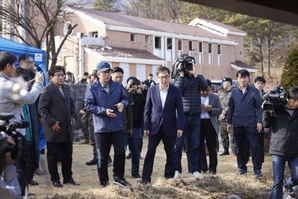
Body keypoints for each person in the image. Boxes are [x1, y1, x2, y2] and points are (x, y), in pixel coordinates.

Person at [0, 52, 44, 196]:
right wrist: (38, 82)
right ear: (8, 66)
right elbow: (30, 98)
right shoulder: (6, 85)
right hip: (12, 132)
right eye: (14, 65)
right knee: (22, 166)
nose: (15, 68)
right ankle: (17, 195)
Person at [85, 62, 131, 188]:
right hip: (101, 128)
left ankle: (118, 177)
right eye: (104, 72)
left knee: (120, 153)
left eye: (108, 72)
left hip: (117, 126)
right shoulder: (92, 88)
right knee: (102, 157)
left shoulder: (117, 85)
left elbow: (125, 98)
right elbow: (88, 105)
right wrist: (103, 111)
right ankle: (103, 182)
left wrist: (123, 104)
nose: (107, 75)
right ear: (98, 74)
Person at [139, 66, 184, 184]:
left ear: (169, 77)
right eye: (162, 77)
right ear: (157, 78)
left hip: (170, 127)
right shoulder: (152, 90)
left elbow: (180, 110)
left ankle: (168, 178)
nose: (164, 79)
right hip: (155, 127)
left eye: (166, 77)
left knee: (171, 154)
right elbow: (147, 110)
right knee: (150, 153)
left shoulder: (176, 90)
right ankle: (145, 179)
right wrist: (147, 127)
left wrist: (180, 127)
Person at [38, 65, 79, 188]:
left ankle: (68, 177)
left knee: (68, 155)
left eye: (62, 75)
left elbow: (71, 104)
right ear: (51, 77)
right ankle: (55, 179)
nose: (61, 77)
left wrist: (73, 116)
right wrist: (52, 122)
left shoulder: (66, 88)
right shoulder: (47, 90)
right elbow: (42, 109)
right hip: (54, 129)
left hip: (67, 129)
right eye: (58, 75)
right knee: (53, 156)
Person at [173, 56, 208, 179]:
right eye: (187, 64)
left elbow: (204, 87)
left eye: (191, 64)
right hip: (182, 116)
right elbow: (177, 91)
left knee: (195, 145)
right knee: (178, 145)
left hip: (196, 116)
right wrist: (181, 75)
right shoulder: (178, 77)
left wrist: (195, 74)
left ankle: (194, 170)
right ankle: (176, 170)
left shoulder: (198, 77)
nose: (189, 67)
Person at [263, 86, 298, 198]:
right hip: (278, 150)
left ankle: (287, 184)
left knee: (297, 176)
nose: (296, 103)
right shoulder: (277, 108)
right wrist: (266, 111)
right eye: (294, 100)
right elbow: (266, 124)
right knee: (277, 181)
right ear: (287, 98)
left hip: (295, 151)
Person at [227, 69, 263, 177]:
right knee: (240, 147)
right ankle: (242, 167)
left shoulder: (254, 91)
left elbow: (259, 108)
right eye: (240, 78)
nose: (242, 80)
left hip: (251, 122)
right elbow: (230, 107)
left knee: (255, 146)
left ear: (248, 79)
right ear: (237, 79)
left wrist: (259, 121)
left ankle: (257, 169)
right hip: (237, 123)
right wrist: (229, 122)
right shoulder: (233, 92)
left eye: (245, 77)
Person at [19, 54, 45, 178]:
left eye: (33, 63)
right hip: (23, 116)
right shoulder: (19, 77)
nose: (33, 65)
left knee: (35, 143)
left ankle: (35, 167)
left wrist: (40, 115)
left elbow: (38, 98)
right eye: (30, 63)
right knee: (26, 145)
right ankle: (28, 172)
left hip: (34, 115)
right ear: (22, 63)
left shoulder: (35, 76)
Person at [199, 79, 222, 174]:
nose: (204, 92)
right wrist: (199, 107)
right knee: (200, 147)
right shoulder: (196, 97)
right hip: (199, 123)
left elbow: (220, 109)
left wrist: (211, 110)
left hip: (210, 123)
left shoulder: (215, 97)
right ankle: (203, 167)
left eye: (207, 90)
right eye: (202, 90)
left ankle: (213, 168)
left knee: (212, 147)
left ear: (210, 88)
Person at [111, 67, 133, 163]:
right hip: (108, 126)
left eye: (121, 77)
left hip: (122, 126)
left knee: (121, 151)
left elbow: (129, 111)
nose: (119, 79)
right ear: (112, 76)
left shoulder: (125, 92)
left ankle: (119, 173)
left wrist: (129, 126)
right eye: (116, 77)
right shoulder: (107, 91)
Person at [126, 76, 146, 178]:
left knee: (136, 151)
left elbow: (147, 101)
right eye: (131, 85)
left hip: (137, 127)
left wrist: (142, 89)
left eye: (135, 84)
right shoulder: (124, 95)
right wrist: (128, 90)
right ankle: (118, 172)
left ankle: (135, 171)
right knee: (120, 151)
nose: (133, 87)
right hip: (124, 127)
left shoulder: (140, 96)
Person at [219, 77, 235, 156]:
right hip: (222, 118)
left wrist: (226, 110)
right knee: (223, 134)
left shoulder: (234, 93)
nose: (223, 84)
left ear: (229, 83)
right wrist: (221, 111)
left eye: (225, 82)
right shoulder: (222, 93)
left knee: (233, 135)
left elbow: (233, 104)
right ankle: (225, 149)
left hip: (230, 117)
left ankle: (234, 150)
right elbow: (219, 104)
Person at [254, 76, 266, 163]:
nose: (260, 85)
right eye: (258, 83)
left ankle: (261, 160)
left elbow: (267, 112)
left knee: (260, 142)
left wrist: (265, 124)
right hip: (250, 120)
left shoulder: (266, 96)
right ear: (255, 84)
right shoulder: (250, 93)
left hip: (261, 120)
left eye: (262, 84)